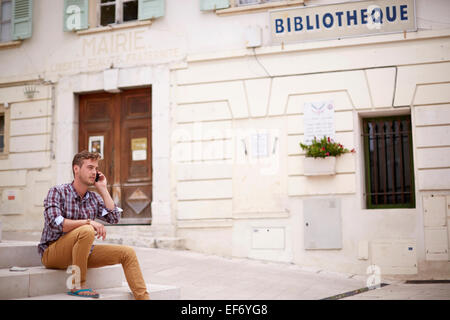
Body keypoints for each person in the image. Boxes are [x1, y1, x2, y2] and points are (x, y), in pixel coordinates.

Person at [37, 150, 150, 299]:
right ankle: (78, 284)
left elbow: (114, 217)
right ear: (76, 169)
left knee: (127, 253)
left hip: (81, 253)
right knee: (86, 230)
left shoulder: (93, 198)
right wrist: (88, 222)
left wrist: (103, 189)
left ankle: (143, 298)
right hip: (53, 253)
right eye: (90, 167)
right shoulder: (57, 192)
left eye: (96, 168)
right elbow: (56, 223)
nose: (94, 172)